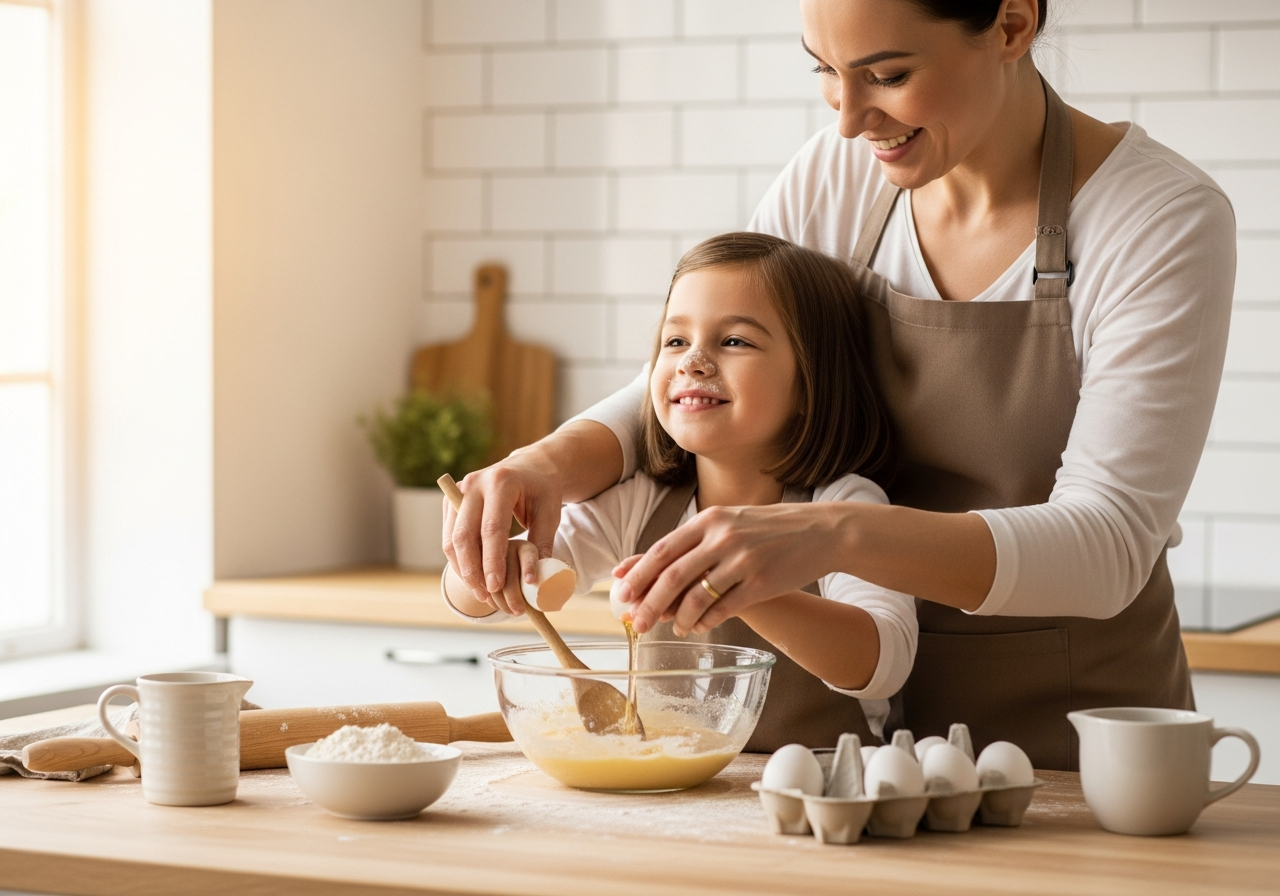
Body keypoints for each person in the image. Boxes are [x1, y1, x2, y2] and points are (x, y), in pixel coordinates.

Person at [443, 0, 1235, 770]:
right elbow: (715, 350)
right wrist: (547, 464)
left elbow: (1109, 545)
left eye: (886, 74)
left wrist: (831, 536)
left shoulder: (1157, 217)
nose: (851, 119)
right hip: (845, 752)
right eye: (825, 70)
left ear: (1011, 23)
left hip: (1066, 727)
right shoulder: (838, 176)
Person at [442, 233, 916, 747]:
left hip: (816, 790)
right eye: (675, 341)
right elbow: (475, 598)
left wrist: (733, 583)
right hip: (670, 798)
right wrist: (487, 567)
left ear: (810, 383)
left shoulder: (843, 505)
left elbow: (883, 662)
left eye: (734, 341)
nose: (693, 361)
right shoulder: (640, 503)